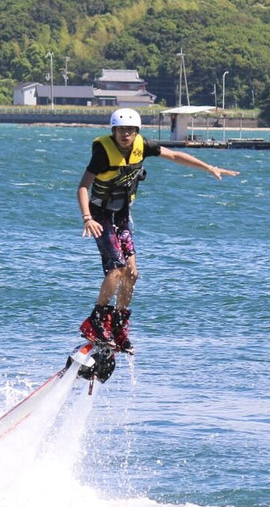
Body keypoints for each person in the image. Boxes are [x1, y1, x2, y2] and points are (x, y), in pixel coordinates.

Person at [76, 108, 239, 354]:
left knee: (132, 273)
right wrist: (87, 217)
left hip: (120, 216)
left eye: (130, 130)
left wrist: (209, 167)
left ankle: (118, 326)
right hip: (100, 216)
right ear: (114, 131)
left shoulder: (143, 145)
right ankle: (96, 321)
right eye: (121, 130)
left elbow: (174, 155)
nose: (125, 134)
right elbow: (83, 186)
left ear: (136, 132)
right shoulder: (102, 153)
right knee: (118, 268)